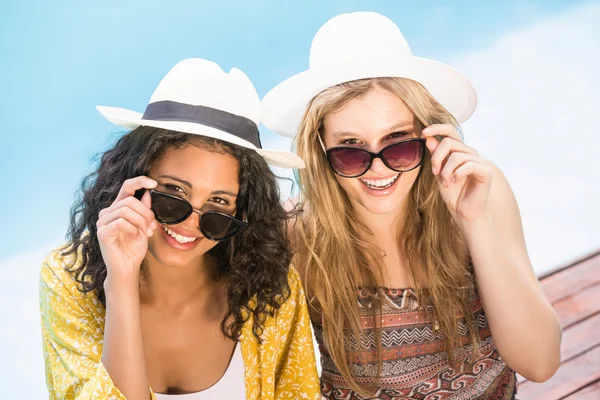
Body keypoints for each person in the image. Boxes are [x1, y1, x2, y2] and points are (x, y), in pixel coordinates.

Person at [261, 12, 561, 399]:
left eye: (398, 141)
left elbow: (540, 362)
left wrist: (474, 221)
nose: (379, 167)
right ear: (320, 150)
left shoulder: (480, 193)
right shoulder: (297, 234)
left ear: (429, 135)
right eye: (350, 150)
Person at [40, 58, 320, 400]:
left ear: (243, 212)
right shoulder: (68, 278)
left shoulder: (269, 285)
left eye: (218, 205)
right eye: (173, 194)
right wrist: (121, 284)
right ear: (134, 179)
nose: (191, 223)